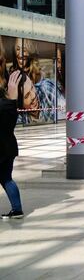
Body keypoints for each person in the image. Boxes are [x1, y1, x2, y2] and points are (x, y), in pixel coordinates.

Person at [0, 85, 23, 219]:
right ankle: (17, 210)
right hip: (9, 148)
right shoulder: (10, 107)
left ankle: (17, 209)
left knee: (6, 179)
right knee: (7, 179)